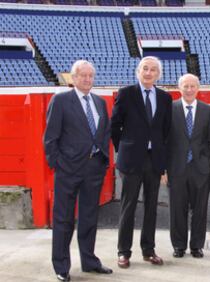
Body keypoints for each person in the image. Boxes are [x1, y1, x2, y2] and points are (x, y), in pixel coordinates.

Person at [44, 60, 112, 281]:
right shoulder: (61, 100)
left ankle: (89, 261)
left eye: (91, 76)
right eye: (82, 75)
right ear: (73, 78)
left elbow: (103, 133)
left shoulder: (100, 102)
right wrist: (57, 164)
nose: (87, 79)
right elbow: (50, 137)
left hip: (94, 168)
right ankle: (61, 267)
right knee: (63, 218)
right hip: (68, 169)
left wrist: (102, 159)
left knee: (89, 217)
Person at [111, 56, 172, 268]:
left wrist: (162, 162)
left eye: (153, 69)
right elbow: (114, 125)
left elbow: (165, 130)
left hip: (154, 160)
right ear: (138, 72)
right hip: (131, 160)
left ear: (158, 74)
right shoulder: (126, 94)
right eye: (145, 69)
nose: (148, 73)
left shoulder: (165, 98)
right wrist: (123, 149)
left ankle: (148, 250)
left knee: (151, 207)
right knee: (128, 206)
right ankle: (123, 252)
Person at [165, 73, 210, 258]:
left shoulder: (208, 110)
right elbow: (164, 141)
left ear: (198, 88)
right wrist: (165, 168)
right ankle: (179, 246)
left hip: (200, 169)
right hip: (176, 168)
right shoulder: (169, 109)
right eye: (185, 86)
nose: (189, 90)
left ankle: (197, 246)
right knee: (177, 209)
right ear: (179, 88)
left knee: (200, 209)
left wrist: (208, 163)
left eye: (192, 86)